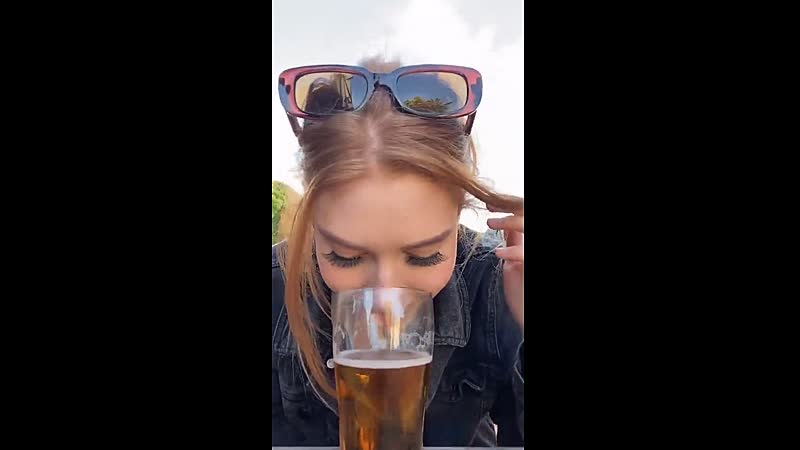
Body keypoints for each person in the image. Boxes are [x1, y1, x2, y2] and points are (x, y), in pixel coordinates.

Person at [272, 58, 525, 447]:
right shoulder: (276, 288)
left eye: (424, 257)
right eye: (345, 256)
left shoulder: (496, 287)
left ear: (458, 217)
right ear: (312, 223)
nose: (384, 300)